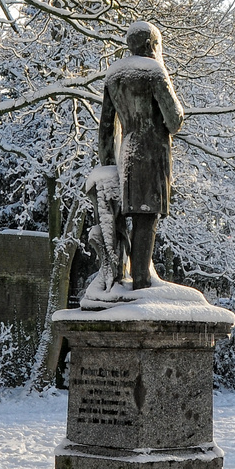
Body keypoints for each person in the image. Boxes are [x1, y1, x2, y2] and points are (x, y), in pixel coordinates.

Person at [97, 21, 185, 289]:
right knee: (147, 217)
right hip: (152, 152)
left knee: (132, 216)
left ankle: (133, 275)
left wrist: (109, 164)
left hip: (128, 152)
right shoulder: (154, 72)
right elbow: (175, 120)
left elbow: (106, 127)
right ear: (150, 45)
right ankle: (141, 283)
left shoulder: (114, 75)